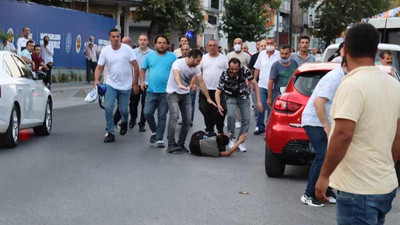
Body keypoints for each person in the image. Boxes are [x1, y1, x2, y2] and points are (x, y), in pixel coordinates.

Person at [315, 23, 400, 224]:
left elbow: (343, 134)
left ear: (344, 50)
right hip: (384, 185)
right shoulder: (394, 84)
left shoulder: (352, 84)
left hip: (358, 190)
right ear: (376, 51)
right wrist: (387, 165)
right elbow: (398, 135)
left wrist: (324, 175)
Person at [300, 58, 347, 207]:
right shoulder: (335, 78)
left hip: (324, 121)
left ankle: (326, 191)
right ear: (345, 64)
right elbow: (318, 102)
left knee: (332, 156)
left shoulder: (344, 76)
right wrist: (327, 127)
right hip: (314, 121)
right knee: (322, 155)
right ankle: (309, 194)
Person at [94, 28, 140, 143]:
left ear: (120, 37)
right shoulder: (105, 51)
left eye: (117, 36)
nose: (116, 39)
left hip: (126, 85)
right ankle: (110, 132)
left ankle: (124, 121)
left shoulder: (127, 49)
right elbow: (99, 67)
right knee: (108, 108)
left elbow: (136, 66)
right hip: (111, 84)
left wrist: (135, 83)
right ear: (109, 38)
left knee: (124, 109)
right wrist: (96, 81)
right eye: (113, 36)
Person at [166, 49, 216, 153]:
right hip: (173, 93)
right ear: (191, 57)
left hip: (185, 95)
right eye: (197, 60)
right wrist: (179, 84)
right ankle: (171, 144)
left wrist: (208, 98)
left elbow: (201, 82)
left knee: (187, 120)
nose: (198, 63)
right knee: (174, 117)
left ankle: (181, 144)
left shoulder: (196, 67)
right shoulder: (178, 63)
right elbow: (176, 73)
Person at [215, 58, 263, 152]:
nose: (233, 71)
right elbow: (218, 91)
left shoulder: (244, 70)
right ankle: (231, 138)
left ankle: (241, 141)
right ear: (229, 67)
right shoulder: (224, 74)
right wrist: (218, 104)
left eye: (236, 69)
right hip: (230, 97)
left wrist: (258, 101)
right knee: (231, 116)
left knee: (246, 119)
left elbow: (255, 85)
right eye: (231, 69)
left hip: (243, 97)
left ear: (239, 67)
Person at [141, 35, 177, 148]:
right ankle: (154, 131)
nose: (161, 44)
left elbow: (177, 71)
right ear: (155, 44)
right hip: (151, 90)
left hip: (166, 92)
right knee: (147, 112)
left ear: (167, 45)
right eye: (159, 42)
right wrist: (142, 82)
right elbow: (142, 70)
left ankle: (159, 139)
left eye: (164, 43)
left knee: (162, 116)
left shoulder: (173, 57)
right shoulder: (149, 57)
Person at [198, 39, 229, 135]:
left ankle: (220, 129)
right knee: (204, 109)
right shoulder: (203, 58)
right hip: (206, 90)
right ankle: (210, 129)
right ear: (207, 47)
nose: (212, 47)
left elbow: (228, 72)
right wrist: (193, 84)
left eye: (214, 45)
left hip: (219, 90)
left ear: (218, 47)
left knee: (222, 109)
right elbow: (198, 72)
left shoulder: (224, 58)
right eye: (210, 45)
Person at [253, 37, 280, 135]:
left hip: (274, 86)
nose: (269, 45)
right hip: (262, 84)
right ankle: (260, 126)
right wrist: (254, 81)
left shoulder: (278, 55)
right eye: (267, 43)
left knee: (272, 107)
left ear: (274, 44)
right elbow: (257, 68)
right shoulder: (261, 54)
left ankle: (269, 125)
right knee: (261, 105)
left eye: (271, 43)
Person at [131, 34, 154, 132]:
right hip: (135, 82)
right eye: (140, 40)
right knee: (133, 104)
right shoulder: (133, 52)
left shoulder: (153, 53)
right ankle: (133, 119)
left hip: (148, 82)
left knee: (145, 104)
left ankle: (142, 123)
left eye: (144, 40)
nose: (142, 42)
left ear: (148, 42)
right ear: (138, 41)